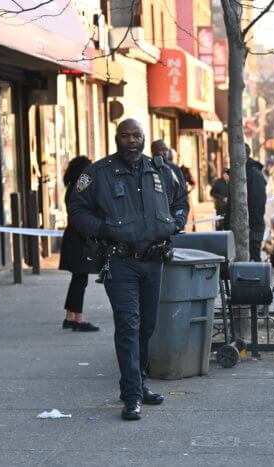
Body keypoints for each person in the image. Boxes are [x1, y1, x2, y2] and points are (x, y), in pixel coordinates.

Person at [69, 118, 189, 421]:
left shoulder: (161, 170)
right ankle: (131, 394)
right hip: (119, 261)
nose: (132, 141)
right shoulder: (97, 173)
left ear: (145, 138)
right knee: (128, 324)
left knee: (147, 326)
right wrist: (104, 229)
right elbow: (77, 209)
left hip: (153, 260)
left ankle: (140, 384)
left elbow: (181, 199)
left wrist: (175, 222)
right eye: (126, 136)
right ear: (116, 138)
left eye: (137, 135)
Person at [58, 156, 101, 332]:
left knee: (78, 278)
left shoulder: (72, 185)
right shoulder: (81, 183)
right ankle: (78, 318)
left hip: (74, 235)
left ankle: (70, 316)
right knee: (80, 279)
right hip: (80, 237)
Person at [225, 144, 267, 261]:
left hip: (250, 230)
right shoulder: (240, 173)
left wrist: (250, 227)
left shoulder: (253, 174)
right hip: (239, 228)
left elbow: (258, 205)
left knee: (252, 265)